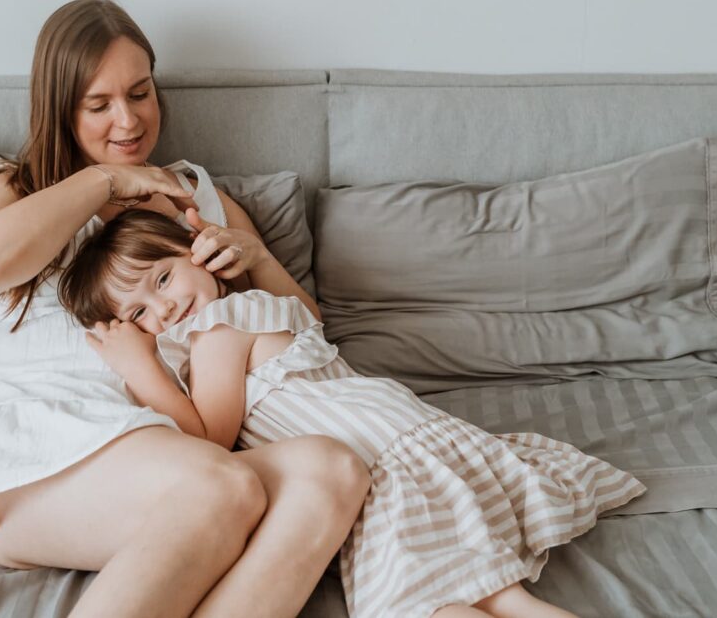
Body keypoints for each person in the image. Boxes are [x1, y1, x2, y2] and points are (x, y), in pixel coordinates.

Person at [0, 0, 371, 618]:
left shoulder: (194, 195)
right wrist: (106, 182)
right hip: (25, 442)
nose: (128, 122)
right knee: (223, 483)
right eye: (98, 104)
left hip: (160, 447)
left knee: (336, 471)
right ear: (61, 108)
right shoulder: (16, 183)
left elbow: (306, 331)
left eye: (140, 93)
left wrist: (257, 259)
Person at [58, 209, 648, 618]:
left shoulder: (217, 330)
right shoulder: (267, 308)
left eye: (162, 279)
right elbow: (311, 312)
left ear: (199, 253)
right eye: (138, 315)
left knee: (428, 605)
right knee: (503, 596)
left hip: (379, 467)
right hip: (414, 434)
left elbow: (207, 441)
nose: (163, 309)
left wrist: (144, 370)